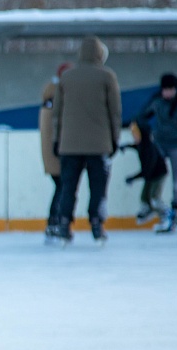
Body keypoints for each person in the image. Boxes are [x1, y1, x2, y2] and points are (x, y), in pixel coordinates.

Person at [50, 36, 122, 245]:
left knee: (68, 187)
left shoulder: (67, 77)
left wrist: (56, 140)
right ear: (100, 54)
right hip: (99, 144)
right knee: (98, 187)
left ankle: (64, 224)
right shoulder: (107, 76)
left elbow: (57, 113)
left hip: (69, 145)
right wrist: (114, 139)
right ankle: (97, 224)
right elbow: (115, 112)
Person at [137, 73, 177, 233]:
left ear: (175, 89)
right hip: (160, 144)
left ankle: (176, 211)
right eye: (165, 89)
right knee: (154, 171)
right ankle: (150, 202)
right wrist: (146, 132)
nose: (167, 93)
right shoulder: (157, 101)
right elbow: (142, 116)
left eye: (170, 89)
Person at [39, 61, 73, 243]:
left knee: (62, 187)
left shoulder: (51, 96)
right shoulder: (57, 96)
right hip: (58, 152)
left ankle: (55, 223)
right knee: (62, 187)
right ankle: (54, 223)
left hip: (54, 151)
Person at [119, 120, 168, 227]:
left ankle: (166, 215)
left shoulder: (149, 149)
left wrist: (133, 178)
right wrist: (127, 146)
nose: (134, 137)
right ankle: (148, 210)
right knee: (144, 197)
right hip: (150, 174)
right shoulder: (142, 145)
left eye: (136, 134)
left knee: (154, 197)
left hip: (158, 174)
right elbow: (136, 147)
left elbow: (146, 169)